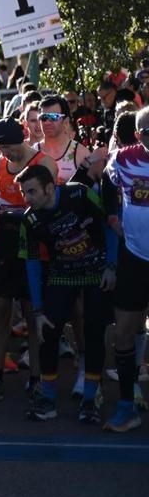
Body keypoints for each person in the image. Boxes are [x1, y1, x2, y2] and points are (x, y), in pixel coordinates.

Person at [17, 163, 115, 424]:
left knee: (94, 333)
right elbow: (32, 265)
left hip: (97, 271)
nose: (26, 199)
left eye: (31, 192)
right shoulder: (30, 219)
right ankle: (48, 398)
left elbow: (109, 224)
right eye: (24, 193)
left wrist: (112, 266)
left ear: (50, 188)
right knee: (48, 332)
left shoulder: (80, 193)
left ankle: (90, 398)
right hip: (62, 274)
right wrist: (37, 309)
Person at [0, 118, 56, 403]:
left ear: (21, 140)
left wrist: (5, 215)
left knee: (33, 312)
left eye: (9, 147)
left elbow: (47, 206)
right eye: (1, 148)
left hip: (35, 245)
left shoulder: (44, 163)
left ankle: (36, 378)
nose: (6, 153)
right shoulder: (0, 163)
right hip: (5, 245)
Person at [104, 106, 149, 431]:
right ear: (138, 135)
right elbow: (106, 182)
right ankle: (126, 406)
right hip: (134, 255)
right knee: (123, 332)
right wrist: (112, 216)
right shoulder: (122, 158)